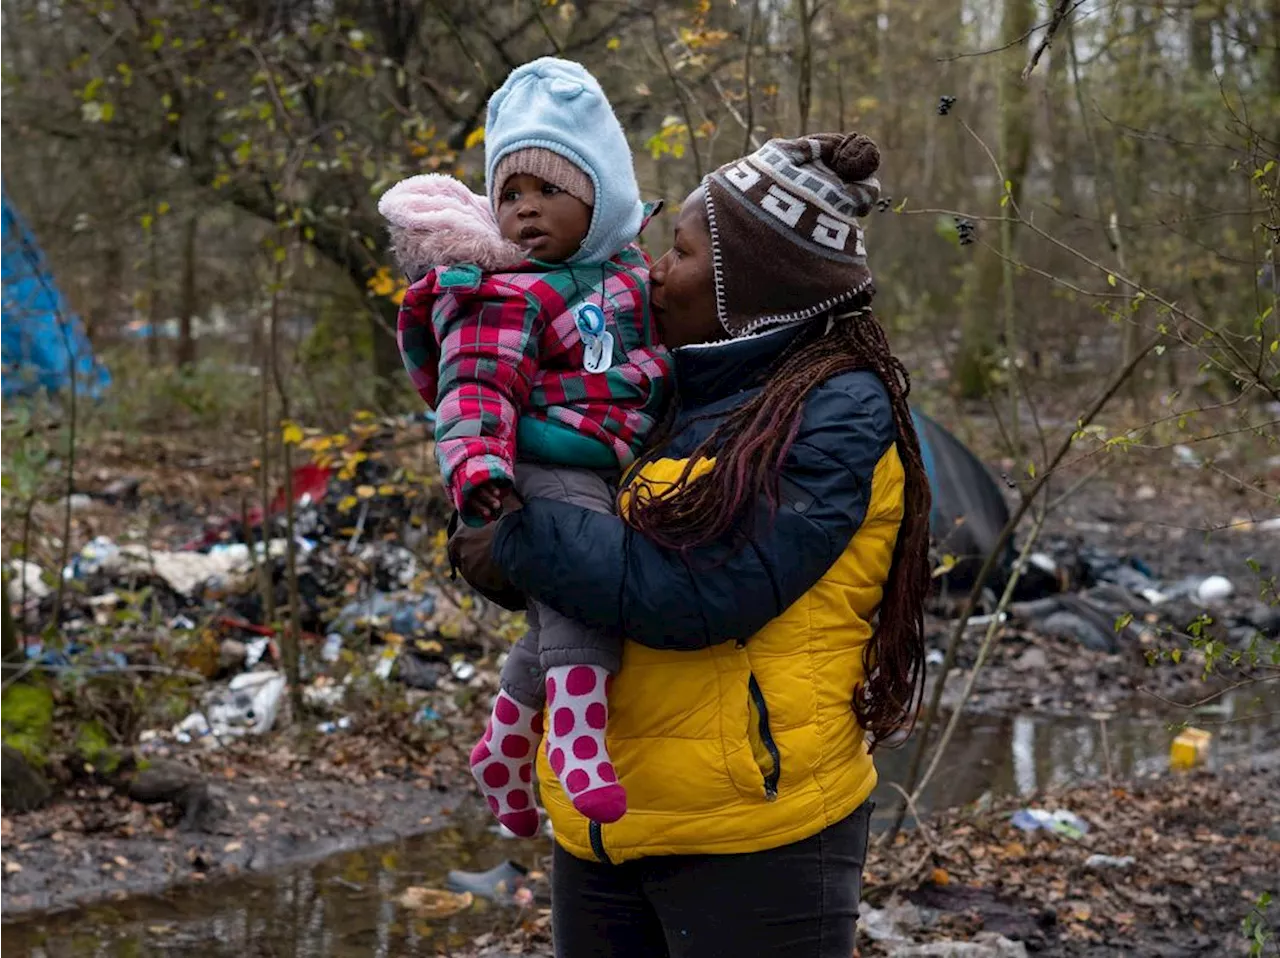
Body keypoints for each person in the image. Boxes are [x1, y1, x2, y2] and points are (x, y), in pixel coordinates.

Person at [480, 131, 934, 957]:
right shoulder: (658, 389)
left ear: (744, 282)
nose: (654, 268)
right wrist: (490, 521)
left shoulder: (834, 411)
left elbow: (695, 595)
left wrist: (511, 534)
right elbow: (565, 567)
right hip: (604, 821)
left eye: (682, 252)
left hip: (757, 832)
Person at [377, 57, 671, 837]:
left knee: (547, 622)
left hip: (610, 460)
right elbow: (472, 390)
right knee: (588, 584)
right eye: (510, 193)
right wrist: (481, 476)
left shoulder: (627, 269)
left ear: (601, 195)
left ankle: (504, 743)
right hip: (542, 463)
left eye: (550, 190)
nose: (527, 210)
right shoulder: (502, 291)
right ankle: (577, 741)